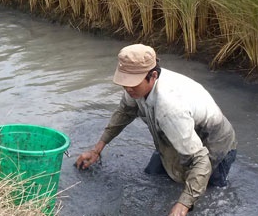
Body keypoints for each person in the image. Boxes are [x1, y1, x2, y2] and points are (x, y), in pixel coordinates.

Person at [75, 44, 237, 216]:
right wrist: (96, 149)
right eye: (124, 82)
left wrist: (183, 205)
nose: (128, 89)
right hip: (173, 139)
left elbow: (201, 160)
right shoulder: (134, 89)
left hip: (212, 145)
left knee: (209, 201)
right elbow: (124, 112)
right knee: (152, 177)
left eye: (132, 84)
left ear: (153, 76)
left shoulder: (170, 107)